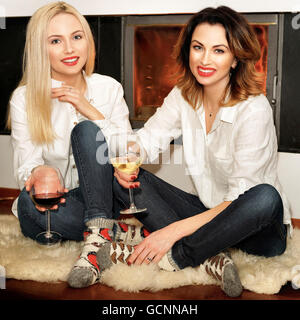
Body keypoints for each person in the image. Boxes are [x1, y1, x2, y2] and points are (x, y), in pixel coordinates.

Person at [93, 6, 292, 298]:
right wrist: (131, 158)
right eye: (198, 47)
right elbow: (149, 138)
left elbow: (240, 199)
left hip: (257, 230)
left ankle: (178, 256)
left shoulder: (254, 109)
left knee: (264, 196)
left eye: (219, 50)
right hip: (208, 211)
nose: (205, 59)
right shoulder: (183, 94)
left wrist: (172, 232)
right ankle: (211, 254)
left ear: (236, 58)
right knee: (121, 180)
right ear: (189, 50)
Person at [7, 0, 131, 273]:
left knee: (86, 130)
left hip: (102, 200)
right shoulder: (23, 98)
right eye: (55, 41)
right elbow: (26, 166)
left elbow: (129, 153)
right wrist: (39, 172)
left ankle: (99, 233)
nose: (70, 49)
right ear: (41, 48)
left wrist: (88, 109)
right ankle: (118, 237)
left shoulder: (109, 88)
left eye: (77, 37)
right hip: (59, 203)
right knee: (29, 203)